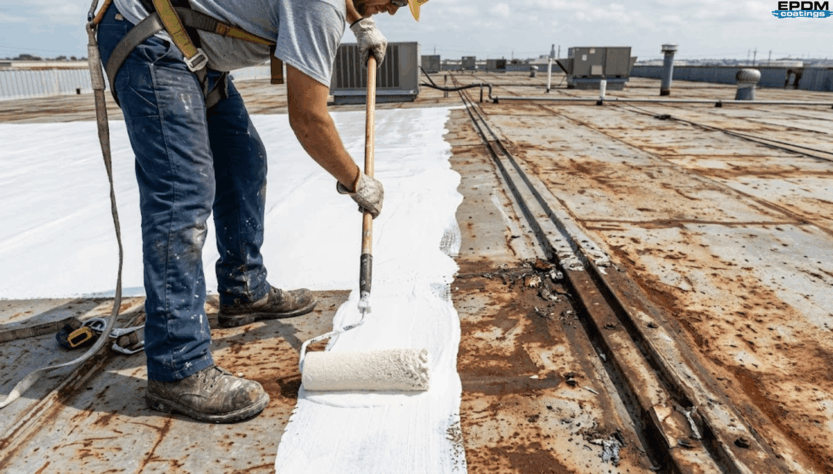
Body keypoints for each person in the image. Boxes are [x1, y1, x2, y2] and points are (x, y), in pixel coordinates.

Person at [95, 0, 428, 423]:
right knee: (183, 191)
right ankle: (177, 367)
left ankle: (243, 289)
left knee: (243, 163)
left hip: (191, 47)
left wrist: (361, 20)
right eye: (395, 1)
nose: (394, 11)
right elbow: (308, 117)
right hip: (151, 36)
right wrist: (355, 179)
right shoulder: (321, 9)